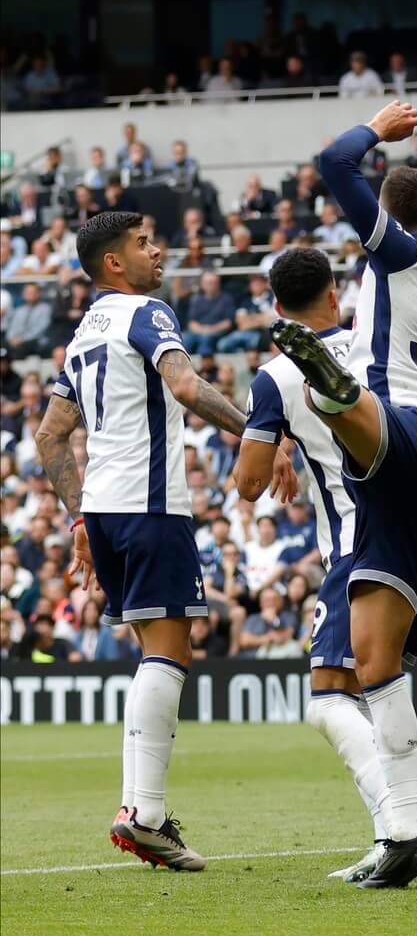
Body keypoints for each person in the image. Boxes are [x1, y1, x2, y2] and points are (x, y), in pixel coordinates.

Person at [36, 211, 288, 871]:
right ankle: (141, 811)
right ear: (114, 262)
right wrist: (259, 431)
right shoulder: (146, 312)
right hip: (151, 507)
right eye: (144, 243)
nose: (158, 250)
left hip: (105, 514)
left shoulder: (81, 334)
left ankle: (144, 808)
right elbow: (183, 384)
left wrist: (79, 516)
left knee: (158, 651)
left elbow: (49, 436)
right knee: (171, 651)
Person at [267, 101, 417, 889]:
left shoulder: (398, 251)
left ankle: (335, 395)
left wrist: (378, 129)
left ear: (387, 215)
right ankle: (403, 834)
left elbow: (331, 166)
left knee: (349, 417)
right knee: (379, 669)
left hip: (398, 427)